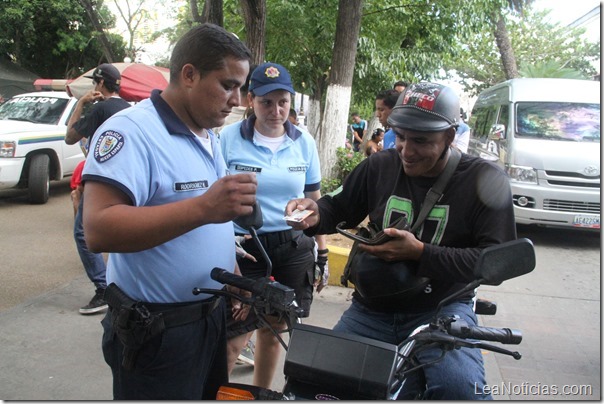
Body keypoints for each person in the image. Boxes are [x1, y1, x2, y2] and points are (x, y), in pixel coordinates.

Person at [285, 82, 516, 400]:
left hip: (442, 310)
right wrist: (313, 213)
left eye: (421, 141)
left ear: (449, 136)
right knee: (319, 383)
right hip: (370, 310)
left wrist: (421, 253)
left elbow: (496, 262)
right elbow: (337, 207)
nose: (407, 150)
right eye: (401, 136)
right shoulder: (379, 165)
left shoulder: (484, 180)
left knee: (459, 390)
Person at [81, 23, 256, 400]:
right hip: (156, 331)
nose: (238, 100)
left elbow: (207, 224)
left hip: (209, 318)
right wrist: (203, 207)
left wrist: (233, 272)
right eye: (228, 85)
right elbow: (98, 228)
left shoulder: (208, 134)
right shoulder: (131, 131)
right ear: (189, 74)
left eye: (240, 87)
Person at [219, 62, 328, 389]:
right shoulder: (228, 138)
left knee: (273, 330)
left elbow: (315, 200)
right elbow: (214, 197)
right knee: (232, 341)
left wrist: (322, 254)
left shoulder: (303, 142)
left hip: (292, 249)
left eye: (283, 101)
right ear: (250, 99)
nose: (276, 110)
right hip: (245, 251)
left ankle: (261, 395)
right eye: (266, 101)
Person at [65, 63, 131, 314]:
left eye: (95, 83)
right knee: (121, 234)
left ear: (101, 84)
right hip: (129, 182)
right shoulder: (129, 108)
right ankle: (120, 285)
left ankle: (103, 289)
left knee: (83, 232)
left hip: (103, 182)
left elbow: (70, 137)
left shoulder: (100, 108)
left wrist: (81, 103)